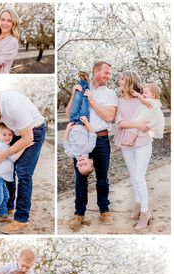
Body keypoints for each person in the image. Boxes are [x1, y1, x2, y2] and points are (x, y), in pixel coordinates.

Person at [0, 89, 46, 234]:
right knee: (8, 170)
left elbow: (28, 139)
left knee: (23, 173)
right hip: (15, 130)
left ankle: (21, 219)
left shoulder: (14, 105)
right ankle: (7, 207)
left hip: (32, 132)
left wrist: (4, 154)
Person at [66, 61, 118, 231]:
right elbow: (69, 114)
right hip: (80, 142)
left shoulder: (110, 94)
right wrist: (74, 94)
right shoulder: (82, 88)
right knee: (80, 179)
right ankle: (79, 213)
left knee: (102, 178)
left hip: (101, 139)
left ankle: (104, 209)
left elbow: (109, 117)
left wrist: (92, 100)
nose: (108, 76)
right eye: (106, 72)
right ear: (96, 71)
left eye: (109, 74)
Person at [113, 71, 154, 231]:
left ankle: (145, 212)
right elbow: (120, 123)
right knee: (132, 176)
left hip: (143, 142)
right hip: (126, 142)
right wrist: (137, 125)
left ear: (129, 81)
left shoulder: (141, 100)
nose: (119, 81)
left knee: (139, 176)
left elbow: (148, 120)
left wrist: (137, 124)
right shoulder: (119, 101)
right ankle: (138, 203)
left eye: (122, 79)